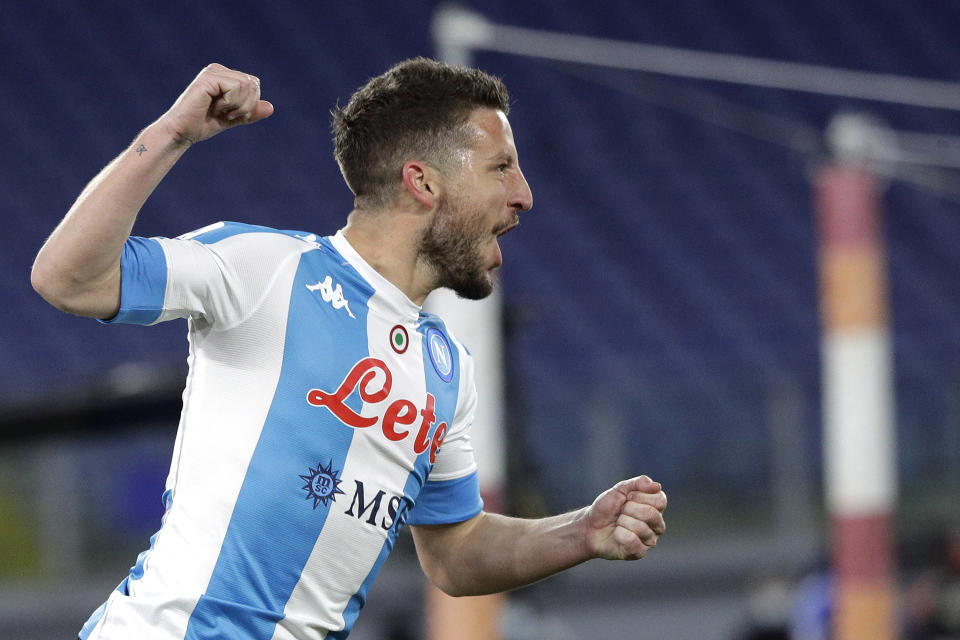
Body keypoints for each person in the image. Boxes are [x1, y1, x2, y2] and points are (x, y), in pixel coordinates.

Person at [31, 59, 668, 640]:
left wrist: (581, 531)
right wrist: (172, 132)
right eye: (501, 167)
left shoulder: (446, 369)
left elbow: (455, 550)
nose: (524, 194)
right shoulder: (267, 268)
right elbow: (67, 277)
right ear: (422, 182)